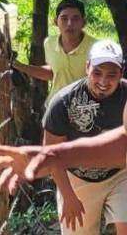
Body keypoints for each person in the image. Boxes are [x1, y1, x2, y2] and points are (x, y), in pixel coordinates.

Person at [39, 40, 127, 233]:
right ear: (87, 67)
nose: (104, 82)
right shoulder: (63, 103)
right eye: (97, 73)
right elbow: (51, 154)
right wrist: (68, 197)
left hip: (121, 173)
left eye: (112, 75)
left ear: (121, 73)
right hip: (78, 178)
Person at [13, 0, 98, 102]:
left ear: (83, 22)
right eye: (64, 18)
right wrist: (20, 66)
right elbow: (54, 73)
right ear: (55, 21)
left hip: (85, 108)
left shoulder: (96, 47)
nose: (70, 23)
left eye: (75, 18)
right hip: (55, 106)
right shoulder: (49, 43)